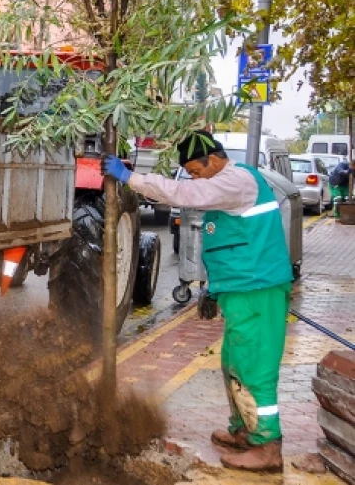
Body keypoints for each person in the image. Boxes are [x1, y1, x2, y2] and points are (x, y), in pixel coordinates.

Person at [103, 131, 291, 473]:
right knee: (233, 362)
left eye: (195, 169)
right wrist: (213, 290)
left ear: (214, 159)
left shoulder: (236, 180)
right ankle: (244, 431)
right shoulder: (228, 185)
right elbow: (233, 245)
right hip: (242, 290)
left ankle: (267, 447)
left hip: (257, 291)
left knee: (253, 368)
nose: (193, 177)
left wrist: (131, 178)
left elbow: (184, 194)